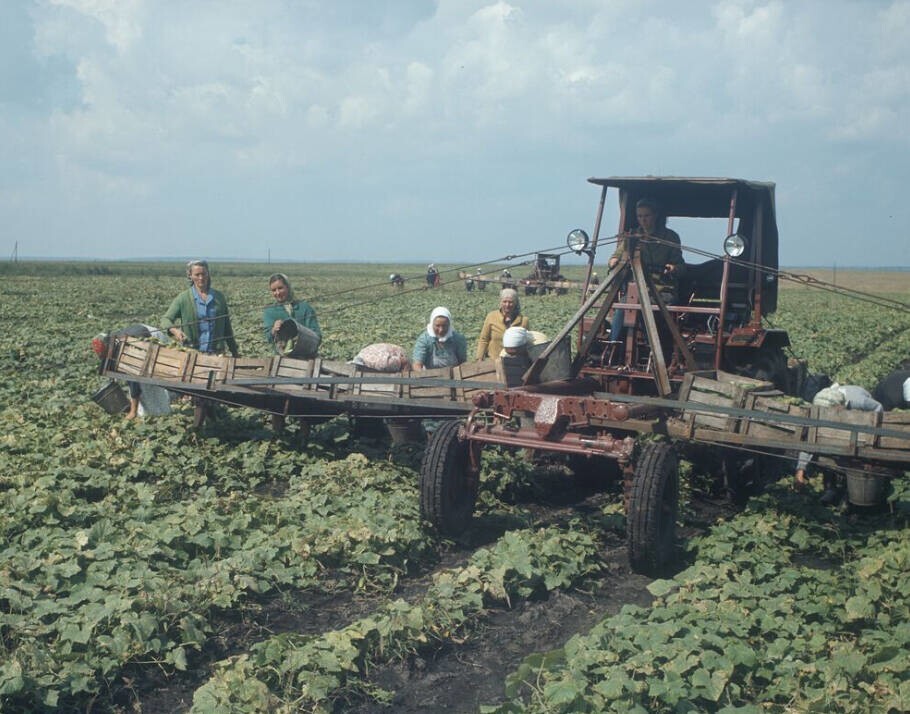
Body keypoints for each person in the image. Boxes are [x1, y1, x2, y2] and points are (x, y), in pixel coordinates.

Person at [608, 197, 686, 341]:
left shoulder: (670, 237)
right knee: (622, 307)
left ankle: (653, 348)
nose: (643, 220)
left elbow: (681, 267)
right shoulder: (632, 236)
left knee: (647, 309)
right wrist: (614, 262)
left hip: (662, 291)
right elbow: (615, 257)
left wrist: (672, 268)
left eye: (646, 216)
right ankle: (613, 344)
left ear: (655, 215)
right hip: (636, 290)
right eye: (640, 216)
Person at [794, 383, 884, 503]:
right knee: (826, 441)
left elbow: (878, 408)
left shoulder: (859, 402)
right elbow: (810, 441)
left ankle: (849, 491)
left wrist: (868, 430)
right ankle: (830, 489)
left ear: (839, 407)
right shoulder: (823, 402)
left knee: (855, 451)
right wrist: (800, 470)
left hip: (860, 415)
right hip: (839, 413)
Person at [92, 324, 172, 419]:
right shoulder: (114, 340)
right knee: (145, 383)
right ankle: (156, 412)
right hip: (144, 335)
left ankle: (160, 412)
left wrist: (133, 411)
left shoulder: (125, 350)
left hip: (155, 339)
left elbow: (134, 382)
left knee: (150, 382)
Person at [162, 260, 239, 356]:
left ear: (208, 274)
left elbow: (227, 328)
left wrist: (235, 352)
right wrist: (174, 330)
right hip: (192, 354)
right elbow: (166, 319)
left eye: (204, 274)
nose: (201, 278)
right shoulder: (183, 298)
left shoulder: (219, 298)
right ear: (190, 276)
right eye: (197, 275)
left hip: (217, 354)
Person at [263, 273, 322, 355]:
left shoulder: (304, 308)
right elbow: (268, 338)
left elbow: (317, 335)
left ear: (288, 287)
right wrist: (273, 330)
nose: (277, 293)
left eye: (280, 288)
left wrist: (304, 338)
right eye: (274, 290)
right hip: (282, 358)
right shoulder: (270, 311)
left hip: (307, 356)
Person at [475, 288, 529, 360]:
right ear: (500, 302)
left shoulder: (523, 320)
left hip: (516, 362)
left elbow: (527, 342)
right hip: (494, 360)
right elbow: (484, 339)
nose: (507, 305)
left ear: (516, 303)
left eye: (510, 302)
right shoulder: (491, 316)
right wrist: (479, 358)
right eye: (504, 301)